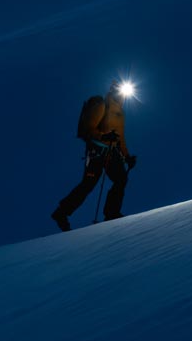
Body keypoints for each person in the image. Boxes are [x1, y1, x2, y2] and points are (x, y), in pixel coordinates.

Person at [51, 82, 138, 231]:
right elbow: (88, 130)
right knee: (88, 185)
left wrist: (127, 156)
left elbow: (120, 138)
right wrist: (105, 137)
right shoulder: (102, 105)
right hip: (97, 153)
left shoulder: (120, 113)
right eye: (119, 91)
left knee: (121, 179)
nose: (121, 95)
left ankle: (111, 213)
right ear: (113, 91)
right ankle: (61, 213)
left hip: (111, 153)